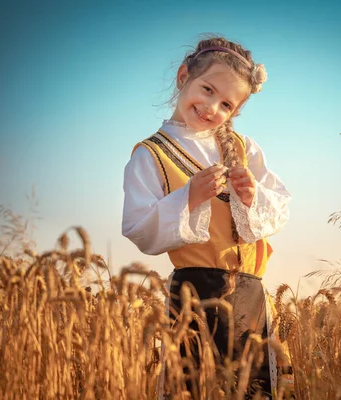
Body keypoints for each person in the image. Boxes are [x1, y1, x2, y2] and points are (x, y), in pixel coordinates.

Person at [122, 36, 293, 399]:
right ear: (184, 76)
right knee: (197, 388)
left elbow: (280, 207)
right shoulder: (151, 154)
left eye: (226, 103)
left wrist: (252, 197)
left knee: (255, 389)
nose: (212, 106)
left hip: (251, 295)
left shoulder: (245, 149)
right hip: (194, 298)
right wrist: (189, 197)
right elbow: (139, 227)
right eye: (207, 89)